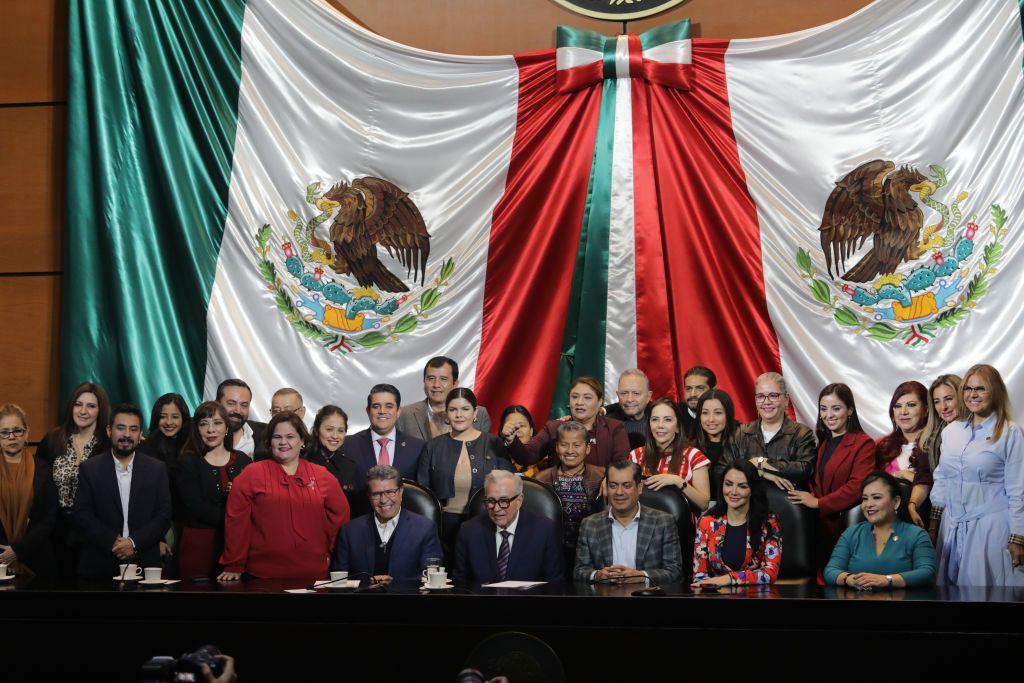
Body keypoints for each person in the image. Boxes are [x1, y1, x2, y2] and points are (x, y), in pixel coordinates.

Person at [219, 412, 350, 580]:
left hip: (314, 574)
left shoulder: (322, 476)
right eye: (277, 437)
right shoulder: (251, 474)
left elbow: (341, 517)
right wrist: (234, 564)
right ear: (269, 442)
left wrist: (333, 553)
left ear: (302, 441)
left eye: (290, 436)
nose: (283, 443)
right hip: (261, 575)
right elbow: (236, 522)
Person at [930, 364, 1024, 586]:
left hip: (991, 529)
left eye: (980, 389)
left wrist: (1018, 536)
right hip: (950, 528)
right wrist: (934, 526)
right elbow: (942, 478)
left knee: (986, 601)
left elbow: (1018, 488)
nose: (973, 395)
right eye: (967, 389)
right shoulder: (951, 431)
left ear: (996, 391)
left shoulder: (1010, 432)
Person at [72, 404, 172, 579]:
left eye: (133, 429)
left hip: (145, 562)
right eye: (121, 428)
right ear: (109, 430)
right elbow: (82, 514)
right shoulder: (90, 468)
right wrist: (114, 542)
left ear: (141, 434)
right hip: (99, 562)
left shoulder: (157, 469)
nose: (127, 434)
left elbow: (164, 516)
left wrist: (133, 543)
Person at [788, 383, 876, 562]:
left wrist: (818, 502)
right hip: (819, 529)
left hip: (845, 529)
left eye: (836, 408)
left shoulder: (863, 443)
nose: (828, 415)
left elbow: (858, 486)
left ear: (850, 410)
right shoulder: (823, 442)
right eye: (823, 409)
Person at [418, 388, 513, 551]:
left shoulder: (494, 444)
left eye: (465, 409)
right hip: (442, 529)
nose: (459, 415)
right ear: (446, 414)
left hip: (487, 524)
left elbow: (509, 488)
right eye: (453, 410)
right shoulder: (432, 447)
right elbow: (423, 493)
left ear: (475, 413)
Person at [36, 382, 111, 577]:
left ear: (100, 411)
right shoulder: (53, 439)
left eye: (91, 406)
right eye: (78, 404)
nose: (83, 411)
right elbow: (38, 485)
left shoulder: (108, 444)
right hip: (55, 528)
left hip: (95, 528)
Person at [175, 402, 251, 578]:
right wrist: (235, 519)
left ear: (226, 427)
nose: (211, 429)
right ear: (197, 429)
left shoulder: (243, 461)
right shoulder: (188, 462)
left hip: (238, 546)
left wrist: (239, 496)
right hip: (199, 545)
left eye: (217, 423)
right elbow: (194, 507)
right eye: (204, 424)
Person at [574, 461, 683, 584]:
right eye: (613, 485)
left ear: (639, 488)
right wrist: (597, 575)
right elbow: (579, 572)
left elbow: (675, 572)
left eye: (627, 486)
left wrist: (642, 576)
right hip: (604, 598)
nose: (619, 492)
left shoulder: (663, 522)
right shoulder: (590, 524)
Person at [824, 471, 936, 590]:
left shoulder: (916, 535)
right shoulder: (851, 533)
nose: (868, 504)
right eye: (865, 499)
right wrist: (850, 579)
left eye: (876, 497)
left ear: (896, 502)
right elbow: (830, 571)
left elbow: (927, 573)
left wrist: (886, 580)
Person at [332, 465, 443, 582]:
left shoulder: (425, 528)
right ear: (369, 496)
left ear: (400, 492)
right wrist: (367, 583)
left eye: (390, 492)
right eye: (376, 494)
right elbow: (339, 581)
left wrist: (394, 584)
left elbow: (431, 578)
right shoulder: (349, 531)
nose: (383, 500)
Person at [454, 470, 563, 584]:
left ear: (519, 501)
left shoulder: (545, 531)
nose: (496, 508)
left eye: (504, 501)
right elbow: (460, 584)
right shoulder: (469, 531)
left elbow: (554, 584)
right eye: (491, 501)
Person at [502, 376, 630, 469]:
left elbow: (621, 466)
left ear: (600, 401)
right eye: (574, 396)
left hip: (602, 497)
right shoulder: (553, 428)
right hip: (559, 498)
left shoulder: (615, 429)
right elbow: (527, 456)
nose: (579, 402)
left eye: (587, 397)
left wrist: (609, 480)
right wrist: (511, 440)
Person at [691, 459, 782, 587]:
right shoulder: (706, 522)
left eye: (742, 486)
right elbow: (700, 575)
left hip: (755, 598)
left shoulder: (768, 522)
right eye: (728, 484)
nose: (733, 492)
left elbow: (770, 573)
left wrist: (729, 579)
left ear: (753, 489)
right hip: (716, 598)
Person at [534, 421, 604, 572]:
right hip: (553, 551)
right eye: (564, 445)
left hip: (591, 552)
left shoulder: (602, 477)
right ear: (557, 447)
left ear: (588, 448)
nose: (570, 450)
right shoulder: (540, 479)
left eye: (577, 445)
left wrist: (609, 479)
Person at [0, 404, 58, 577]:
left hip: (37, 559)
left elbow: (49, 516)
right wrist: (5, 553)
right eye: (4, 432)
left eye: (17, 430)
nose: (11, 437)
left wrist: (17, 550)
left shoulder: (42, 468)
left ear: (26, 433)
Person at [736, 372, 816, 491]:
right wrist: (761, 472)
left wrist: (762, 462)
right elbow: (724, 471)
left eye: (773, 395)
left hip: (787, 506)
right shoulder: (741, 433)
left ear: (786, 400)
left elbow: (804, 470)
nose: (766, 402)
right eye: (761, 396)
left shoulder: (802, 433)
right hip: (749, 506)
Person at [628, 399, 711, 511]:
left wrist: (678, 481)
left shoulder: (694, 456)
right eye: (655, 420)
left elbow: (704, 504)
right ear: (649, 425)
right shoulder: (635, 455)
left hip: (681, 524)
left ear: (677, 427)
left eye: (667, 420)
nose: (660, 425)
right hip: (642, 524)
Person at [138, 393, 191, 563]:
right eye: (163, 417)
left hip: (189, 523)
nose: (169, 422)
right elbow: (144, 499)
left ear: (184, 418)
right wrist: (157, 538)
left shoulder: (194, 446)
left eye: (175, 416)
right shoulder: (145, 449)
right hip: (160, 524)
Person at [875, 381, 933, 527]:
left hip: (924, 524)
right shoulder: (881, 446)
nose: (903, 412)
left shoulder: (938, 444)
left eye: (911, 405)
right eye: (898, 406)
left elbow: (947, 488)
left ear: (926, 409)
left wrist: (911, 477)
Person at [397, 357, 491, 442]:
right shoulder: (404, 414)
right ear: (424, 381)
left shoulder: (480, 414)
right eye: (431, 378)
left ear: (455, 384)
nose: (436, 385)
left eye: (443, 379)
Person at [345, 384, 426, 482]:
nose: (382, 411)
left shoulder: (417, 447)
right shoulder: (348, 445)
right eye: (376, 406)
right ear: (368, 411)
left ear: (398, 411)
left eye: (389, 406)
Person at [691, 389, 743, 500]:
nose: (711, 419)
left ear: (728, 415)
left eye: (718, 413)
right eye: (705, 413)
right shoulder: (691, 448)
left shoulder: (743, 441)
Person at [304, 405, 362, 496]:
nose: (335, 436)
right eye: (329, 429)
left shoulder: (350, 467)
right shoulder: (302, 461)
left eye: (340, 431)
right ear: (316, 430)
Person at [920, 374, 966, 475]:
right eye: (937, 402)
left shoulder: (979, 431)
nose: (943, 407)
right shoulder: (930, 439)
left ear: (962, 397)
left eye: (948, 399)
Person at [216, 379, 268, 460]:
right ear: (217, 403)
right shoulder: (195, 432)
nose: (238, 411)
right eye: (231, 403)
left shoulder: (265, 433)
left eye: (244, 405)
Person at [604, 369, 654, 449]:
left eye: (636, 393)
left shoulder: (663, 420)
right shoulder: (605, 424)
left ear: (648, 397)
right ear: (617, 395)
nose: (629, 399)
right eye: (624, 393)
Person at [678, 366, 717, 439]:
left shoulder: (723, 418)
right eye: (688, 389)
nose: (693, 394)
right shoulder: (673, 415)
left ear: (713, 390)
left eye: (700, 388)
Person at [500, 405, 537, 475]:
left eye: (521, 426)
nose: (516, 429)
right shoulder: (495, 457)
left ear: (531, 431)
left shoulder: (543, 459)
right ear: (502, 431)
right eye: (511, 426)